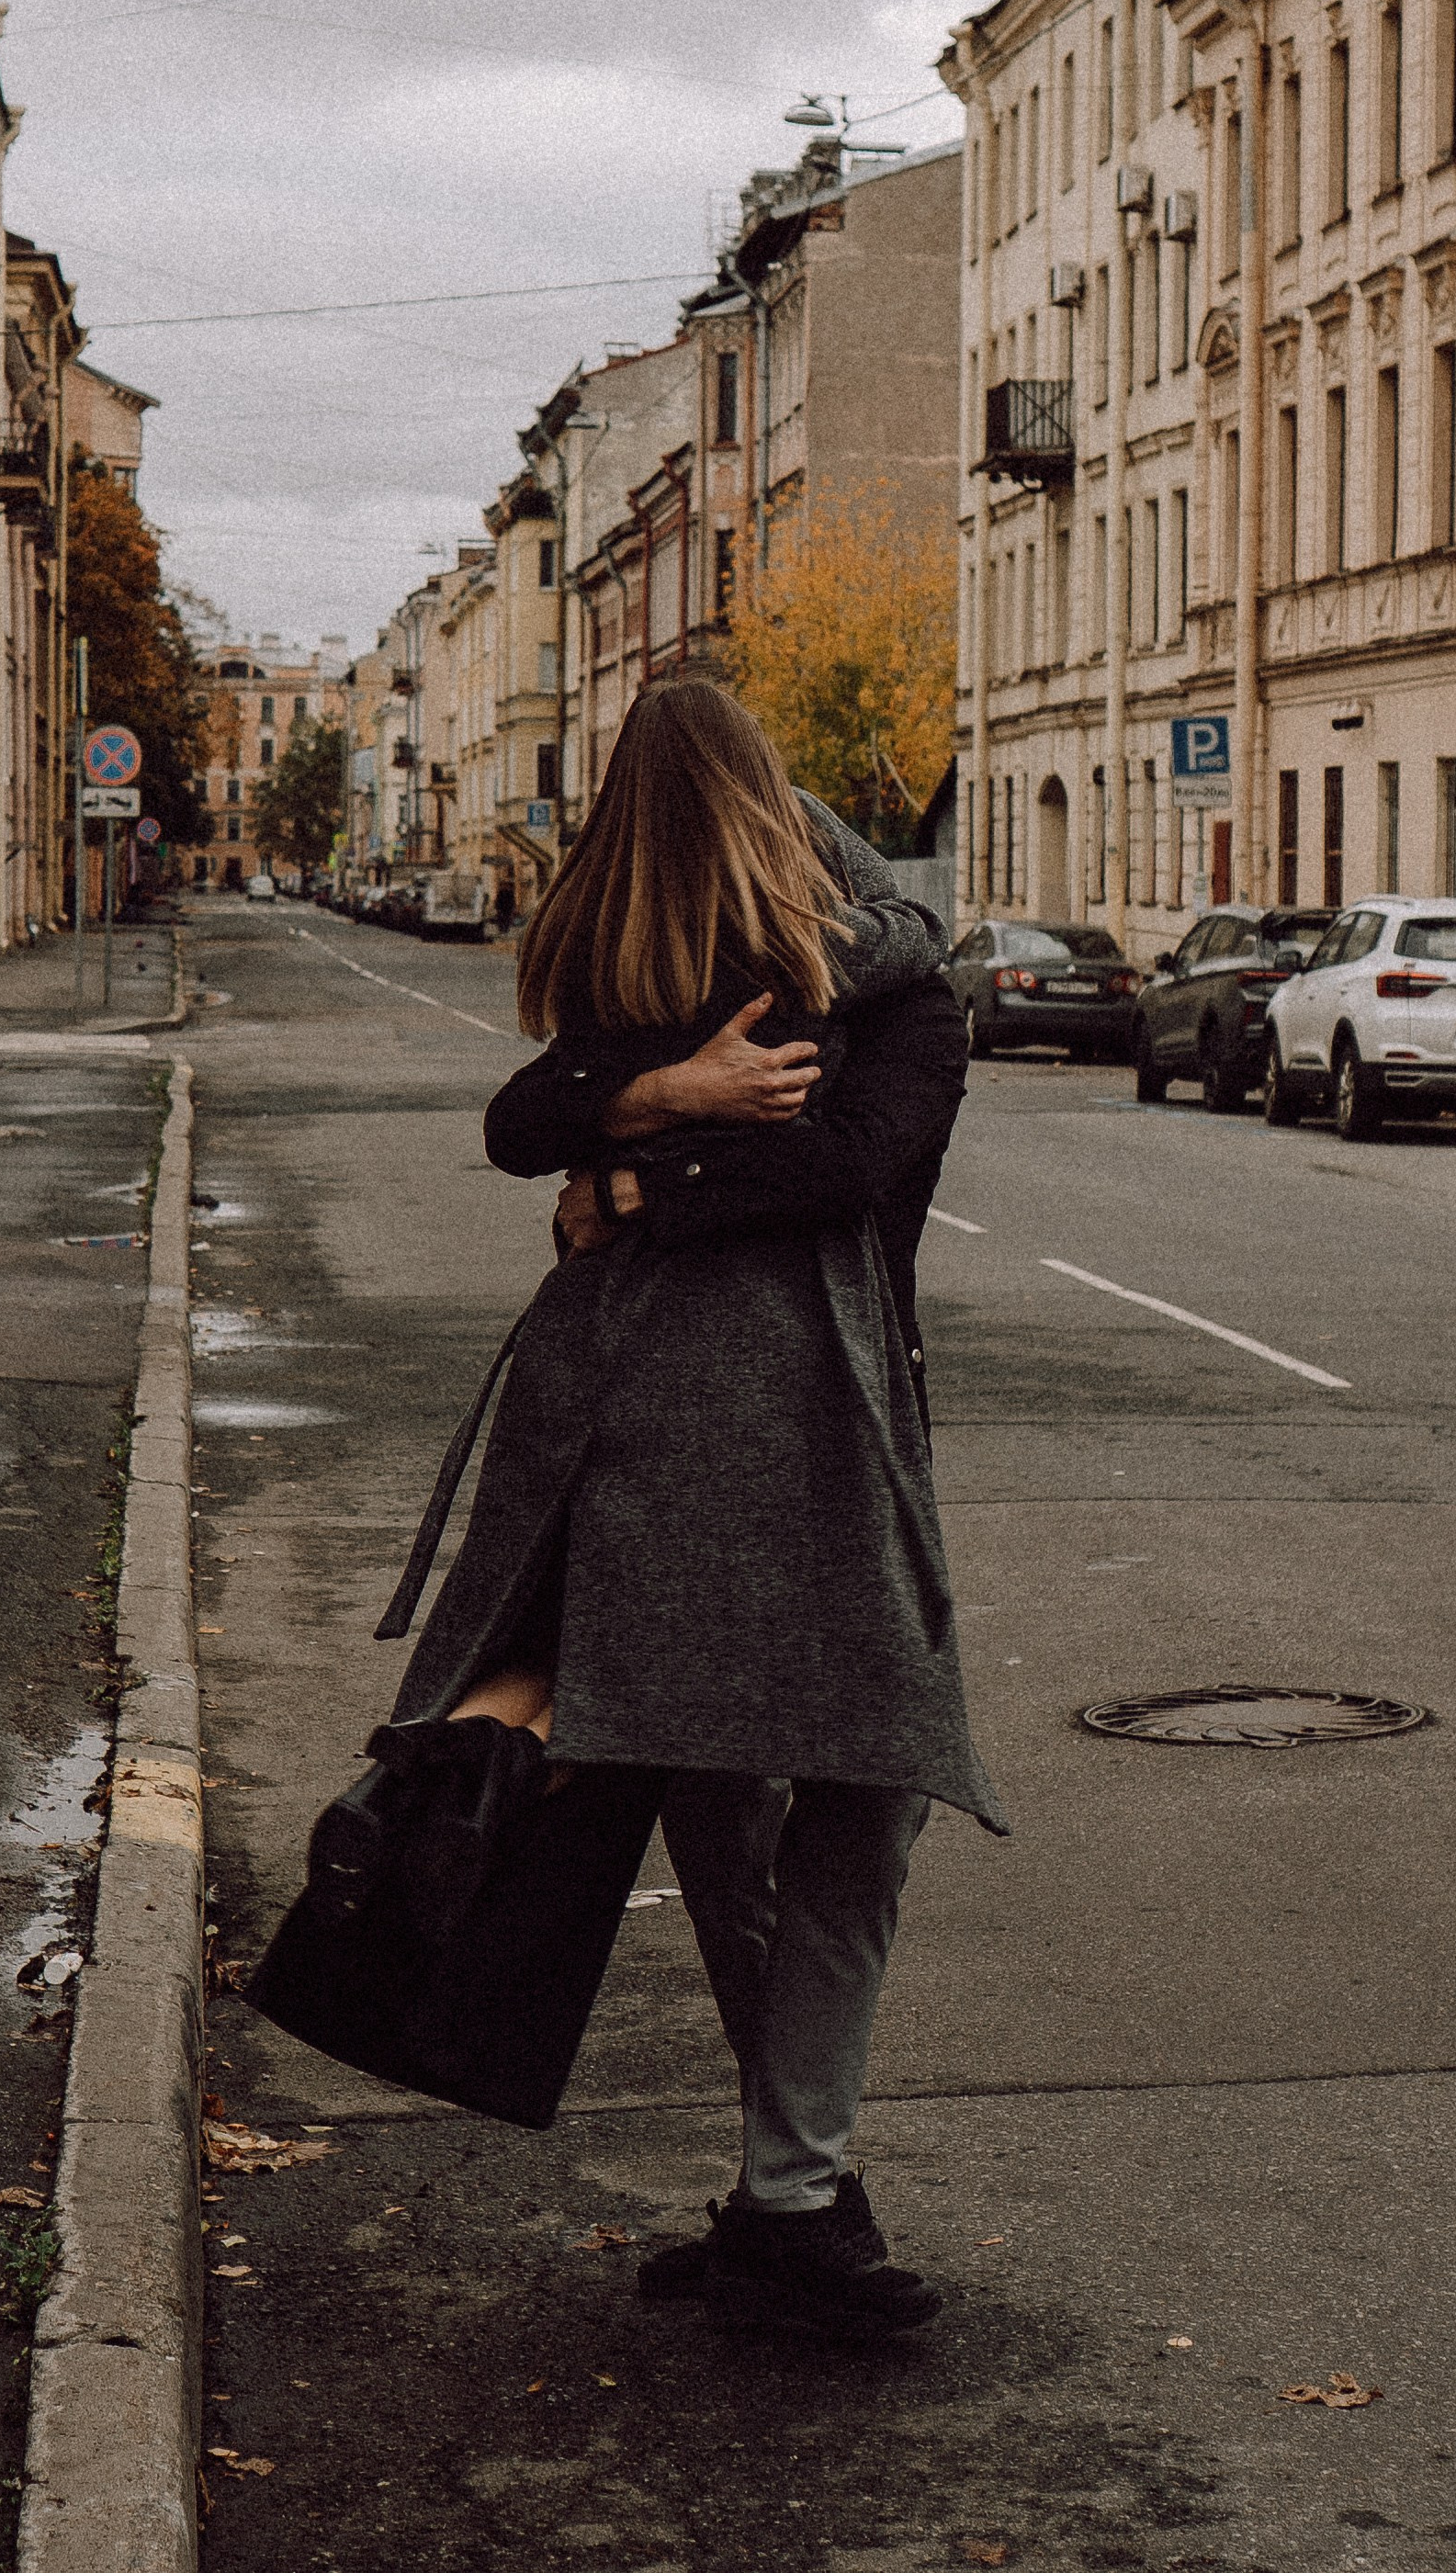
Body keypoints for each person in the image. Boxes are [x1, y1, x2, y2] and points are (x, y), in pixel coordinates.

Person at [380, 673, 1002, 2342]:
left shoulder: (659, 1010)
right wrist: (654, 1112)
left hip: (647, 1433)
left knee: (745, 1801)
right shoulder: (861, 1002)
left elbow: (805, 1166)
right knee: (852, 1797)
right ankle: (792, 2194)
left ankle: (784, 2194)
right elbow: (576, 1134)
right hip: (792, 1438)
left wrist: (634, 1165)